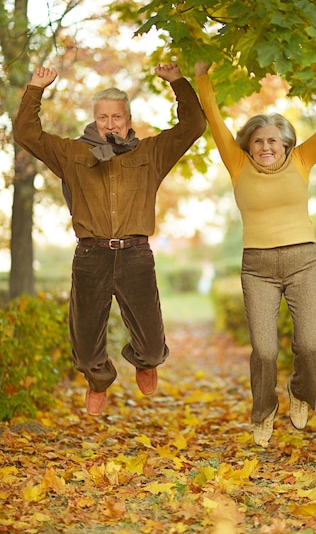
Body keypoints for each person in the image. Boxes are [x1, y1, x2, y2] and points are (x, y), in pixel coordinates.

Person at [14, 62, 206, 416]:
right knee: (86, 346)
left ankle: (144, 361)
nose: (110, 124)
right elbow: (27, 134)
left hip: (136, 256)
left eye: (116, 117)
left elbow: (193, 126)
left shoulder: (150, 152)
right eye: (103, 118)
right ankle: (98, 381)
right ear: (94, 120)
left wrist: (178, 82)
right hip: (91, 257)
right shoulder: (73, 154)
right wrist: (35, 90)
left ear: (128, 120)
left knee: (151, 346)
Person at [194, 61, 316, 447]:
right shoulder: (237, 164)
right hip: (258, 268)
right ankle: (263, 410)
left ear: (286, 145)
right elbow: (213, 116)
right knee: (264, 350)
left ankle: (301, 392)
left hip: (303, 262)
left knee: (310, 344)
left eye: (272, 141)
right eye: (258, 140)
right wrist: (201, 75)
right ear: (248, 144)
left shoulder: (301, 161)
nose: (265, 147)